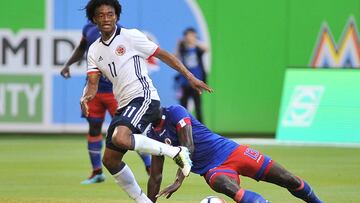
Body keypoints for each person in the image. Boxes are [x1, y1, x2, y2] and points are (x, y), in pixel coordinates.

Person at [81, 0, 213, 202]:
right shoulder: (94, 50)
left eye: (110, 14)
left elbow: (164, 55)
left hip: (144, 98)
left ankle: (175, 152)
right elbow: (92, 82)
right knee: (110, 160)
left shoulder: (130, 36)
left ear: (117, 16)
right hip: (125, 105)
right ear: (93, 19)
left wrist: (190, 76)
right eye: (101, 15)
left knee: (120, 137)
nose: (106, 18)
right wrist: (87, 95)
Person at [147, 105, 323, 203]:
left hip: (232, 151)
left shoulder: (175, 112)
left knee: (288, 179)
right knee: (228, 187)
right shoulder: (152, 135)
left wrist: (179, 180)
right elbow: (155, 175)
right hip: (212, 169)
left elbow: (189, 147)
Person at [60, 22, 152, 184]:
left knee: (128, 130)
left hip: (116, 91)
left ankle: (149, 165)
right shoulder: (88, 29)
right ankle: (97, 172)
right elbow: (82, 47)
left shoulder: (120, 32)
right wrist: (68, 64)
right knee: (94, 128)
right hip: (93, 89)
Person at [175, 27, 208, 122]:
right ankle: (183, 128)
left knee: (198, 107)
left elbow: (206, 48)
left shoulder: (198, 49)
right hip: (185, 82)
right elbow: (175, 57)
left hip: (196, 82)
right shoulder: (183, 49)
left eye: (191, 35)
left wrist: (195, 41)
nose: (189, 37)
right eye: (187, 35)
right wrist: (178, 45)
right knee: (183, 108)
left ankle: (201, 129)